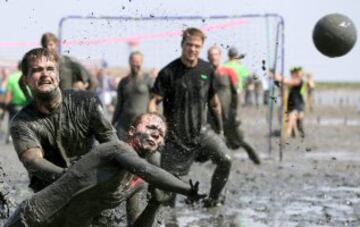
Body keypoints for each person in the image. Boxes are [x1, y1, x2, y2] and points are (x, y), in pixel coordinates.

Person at [7, 48, 204, 227]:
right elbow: (33, 161)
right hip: (44, 203)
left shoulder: (87, 102)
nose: (45, 74)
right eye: (37, 70)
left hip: (86, 201)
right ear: (25, 79)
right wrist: (75, 175)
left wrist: (154, 203)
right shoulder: (21, 122)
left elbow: (116, 146)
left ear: (59, 75)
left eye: (50, 68)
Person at [6, 113, 204, 227]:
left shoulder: (137, 182)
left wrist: (154, 204)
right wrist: (188, 190)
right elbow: (150, 171)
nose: (155, 133)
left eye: (160, 134)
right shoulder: (116, 149)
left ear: (160, 145)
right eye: (151, 127)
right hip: (32, 220)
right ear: (132, 131)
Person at [148, 27, 232, 207]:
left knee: (225, 159)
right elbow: (154, 101)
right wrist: (154, 126)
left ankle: (213, 199)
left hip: (202, 132)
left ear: (201, 47)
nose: (193, 49)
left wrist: (221, 129)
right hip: (175, 137)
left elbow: (214, 102)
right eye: (189, 45)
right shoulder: (168, 72)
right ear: (182, 45)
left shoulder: (207, 69)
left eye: (197, 46)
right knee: (167, 196)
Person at [207, 46, 260, 165]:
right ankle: (218, 161)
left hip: (228, 111)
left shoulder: (228, 71)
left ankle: (253, 154)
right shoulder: (206, 72)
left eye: (215, 55)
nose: (213, 57)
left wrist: (236, 112)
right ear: (207, 57)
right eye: (210, 55)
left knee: (238, 137)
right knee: (215, 136)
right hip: (212, 113)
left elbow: (236, 93)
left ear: (219, 56)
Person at [112, 51, 154, 140]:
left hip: (142, 125)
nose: (136, 65)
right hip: (124, 125)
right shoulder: (123, 82)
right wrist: (112, 123)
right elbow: (119, 104)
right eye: (134, 62)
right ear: (130, 62)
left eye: (139, 62)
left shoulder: (149, 80)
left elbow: (156, 102)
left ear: (142, 62)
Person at [271, 66, 305, 138]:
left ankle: (286, 139)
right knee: (292, 123)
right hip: (290, 104)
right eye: (292, 73)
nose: (292, 74)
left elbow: (287, 81)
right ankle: (294, 135)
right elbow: (283, 85)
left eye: (294, 72)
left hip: (297, 105)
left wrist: (278, 77)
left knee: (291, 123)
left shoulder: (298, 81)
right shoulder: (292, 80)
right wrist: (276, 77)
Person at [4, 62, 30, 143]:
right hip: (28, 103)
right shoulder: (29, 77)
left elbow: (9, 93)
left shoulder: (11, 77)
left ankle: (11, 136)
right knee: (27, 121)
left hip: (15, 105)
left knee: (12, 120)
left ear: (18, 67)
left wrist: (5, 105)